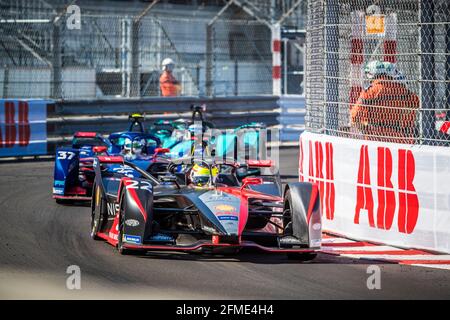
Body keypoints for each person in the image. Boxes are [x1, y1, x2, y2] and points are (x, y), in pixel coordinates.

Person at [350, 60, 419, 144]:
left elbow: (354, 115)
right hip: (397, 137)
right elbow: (416, 102)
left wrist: (365, 129)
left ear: (370, 74)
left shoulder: (369, 92)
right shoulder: (401, 89)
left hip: (374, 137)